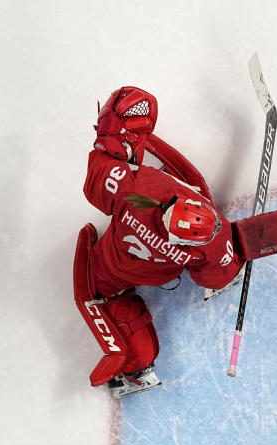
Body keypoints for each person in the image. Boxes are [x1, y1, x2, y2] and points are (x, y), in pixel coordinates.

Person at [74, 86, 244, 397]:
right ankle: (138, 369)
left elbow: (99, 183)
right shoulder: (206, 234)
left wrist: (120, 137)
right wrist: (225, 268)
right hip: (163, 271)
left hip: (114, 263)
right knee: (205, 247)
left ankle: (138, 369)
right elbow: (217, 258)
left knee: (100, 291)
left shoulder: (139, 187)